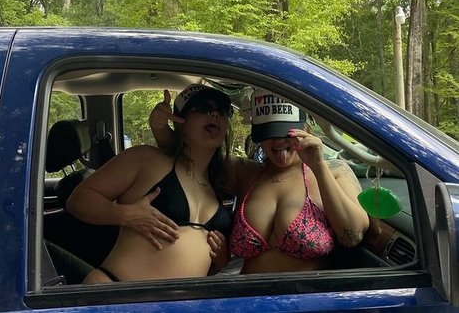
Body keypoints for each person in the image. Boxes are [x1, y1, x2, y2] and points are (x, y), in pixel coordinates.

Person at [150, 88, 370, 274]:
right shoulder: (247, 174)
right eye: (269, 134)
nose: (278, 142)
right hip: (245, 298)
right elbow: (188, 157)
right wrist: (160, 128)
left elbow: (352, 235)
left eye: (287, 133)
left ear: (305, 130)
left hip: (305, 300)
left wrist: (318, 166)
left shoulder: (334, 172)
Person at [66, 84, 233, 283]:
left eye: (222, 110)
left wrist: (221, 261)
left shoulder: (220, 181)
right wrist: (125, 214)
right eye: (203, 108)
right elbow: (78, 200)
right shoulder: (146, 158)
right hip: (117, 292)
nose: (215, 114)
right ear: (179, 121)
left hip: (181, 299)